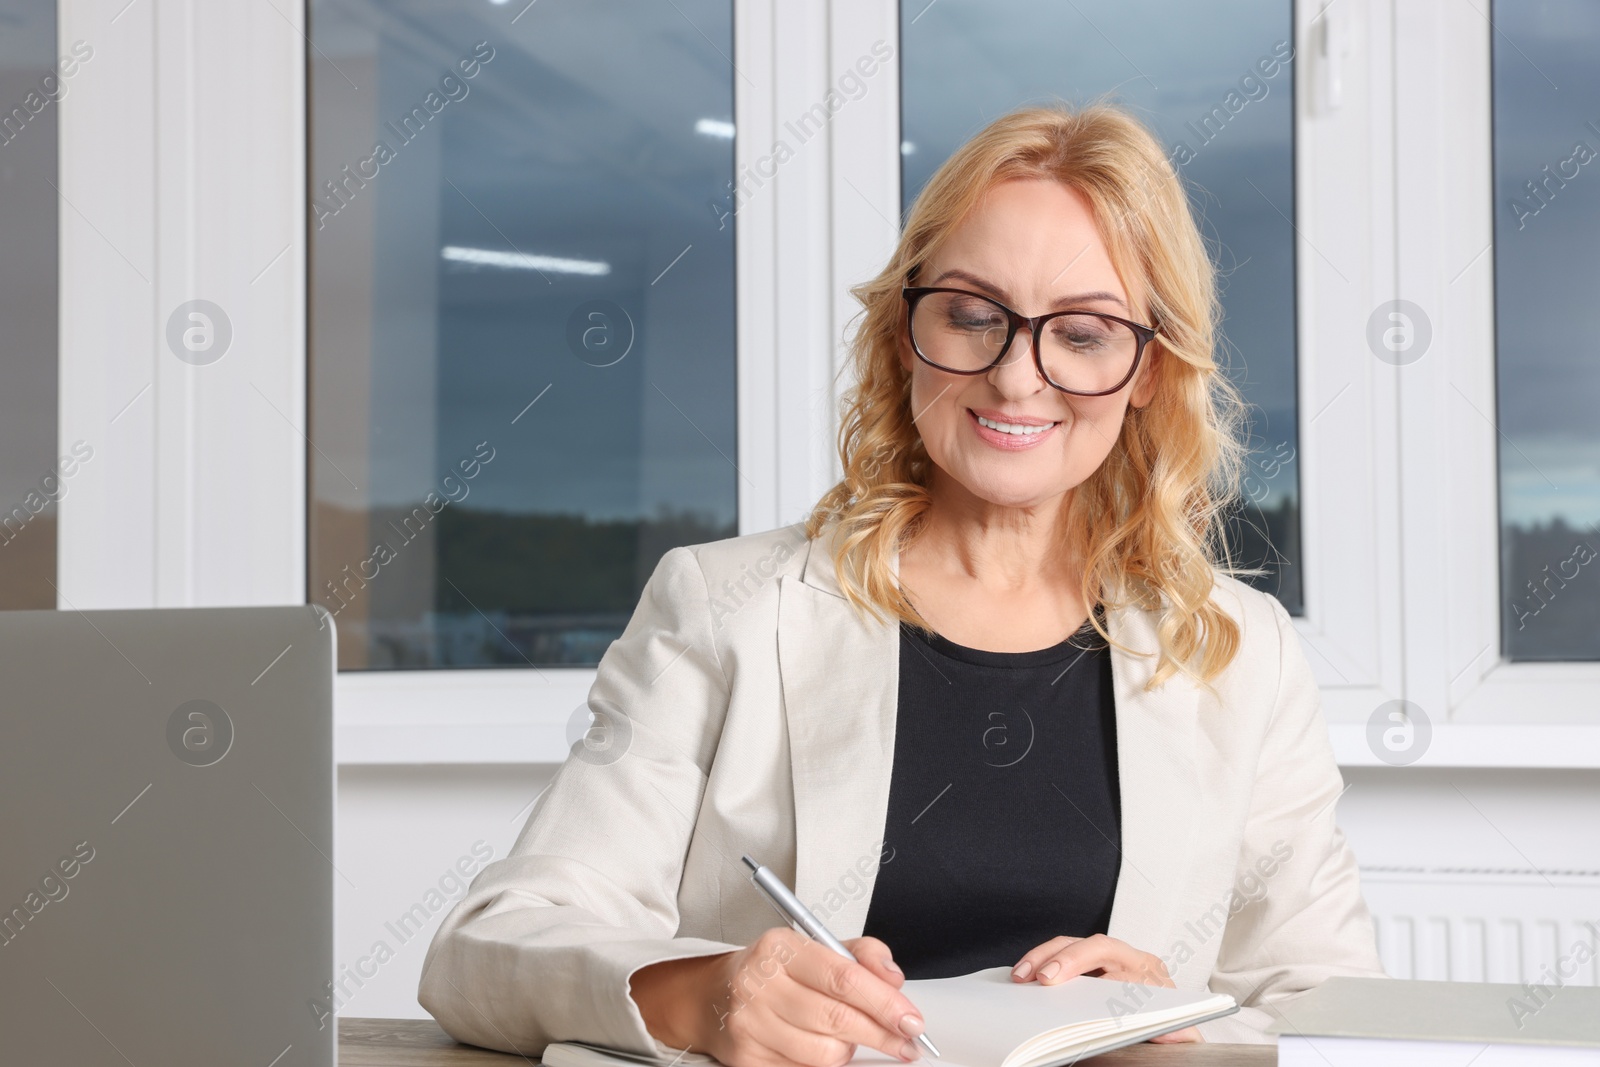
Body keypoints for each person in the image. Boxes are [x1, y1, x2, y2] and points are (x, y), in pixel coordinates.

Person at [418, 100, 1386, 1066]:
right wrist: (704, 994)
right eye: (972, 316)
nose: (1016, 376)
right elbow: (484, 950)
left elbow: (1336, 1005)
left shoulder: (1238, 652)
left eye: (1082, 334)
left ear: (1146, 369)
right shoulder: (722, 610)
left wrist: (1177, 1018)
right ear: (900, 330)